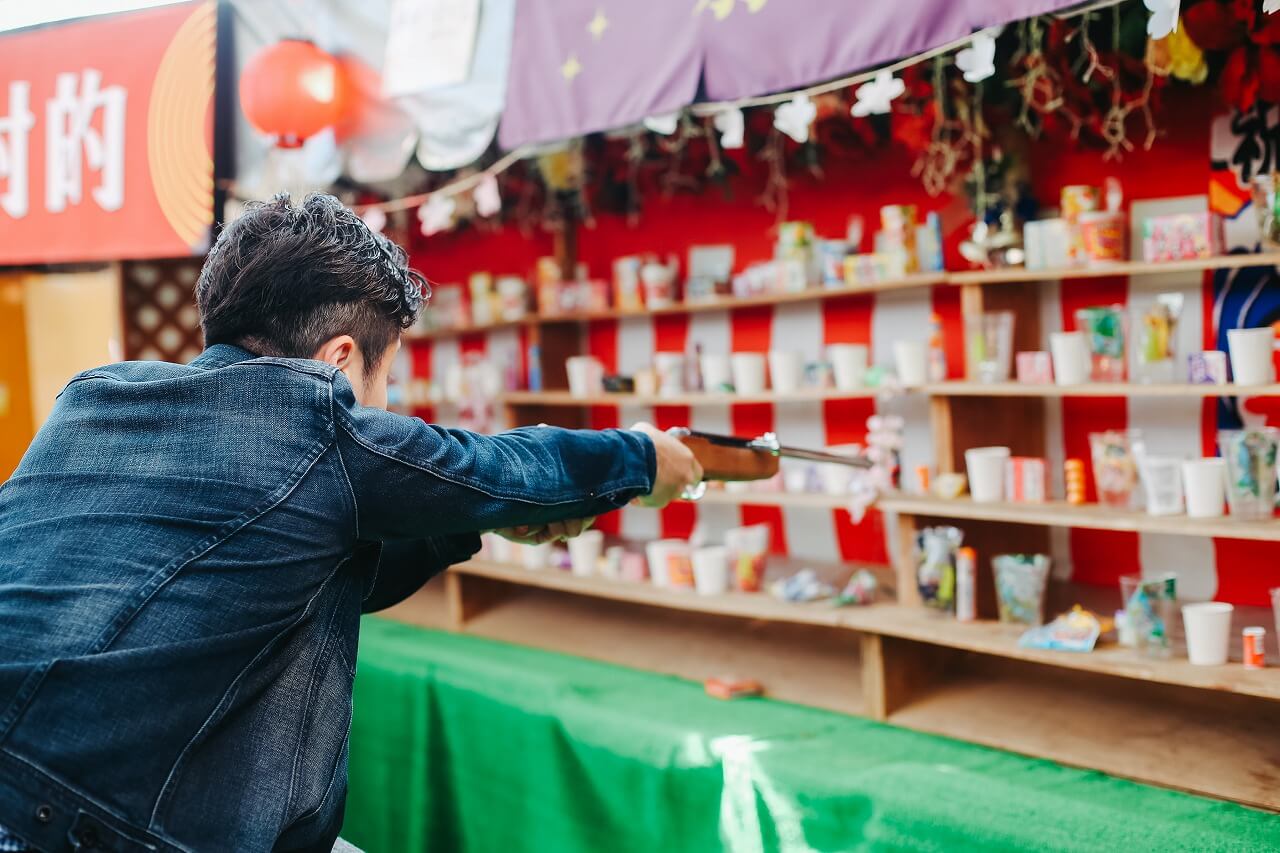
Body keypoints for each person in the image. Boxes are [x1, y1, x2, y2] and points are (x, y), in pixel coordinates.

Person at [0, 194, 703, 852]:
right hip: (95, 825)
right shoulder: (311, 415)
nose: (384, 405)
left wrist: (471, 525)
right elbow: (495, 466)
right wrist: (644, 456)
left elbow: (297, 571)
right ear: (338, 360)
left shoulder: (92, 398)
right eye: (385, 378)